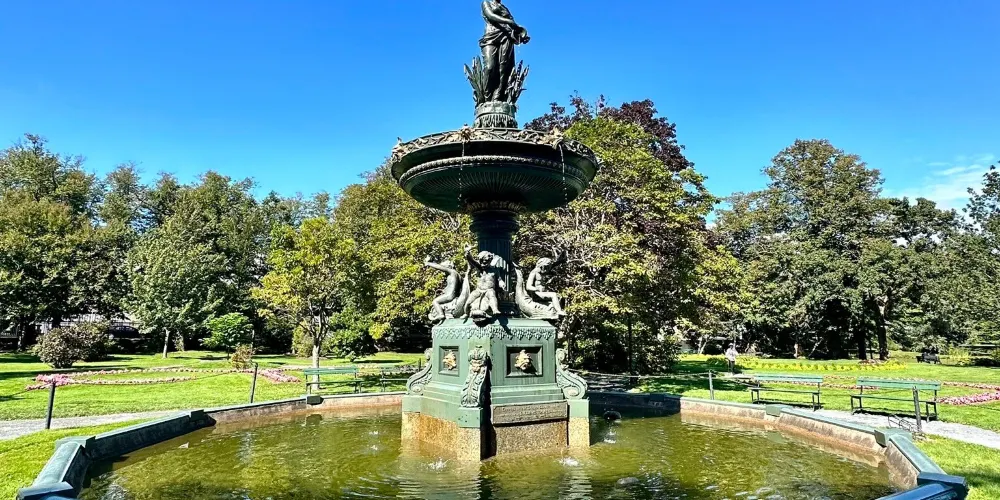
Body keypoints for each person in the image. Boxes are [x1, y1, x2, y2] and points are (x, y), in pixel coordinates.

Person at [479, 0, 529, 101]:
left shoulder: (505, 9)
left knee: (504, 69)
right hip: (490, 36)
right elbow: (490, 15)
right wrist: (508, 21)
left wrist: (521, 36)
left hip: (506, 38)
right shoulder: (486, 3)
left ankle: (498, 96)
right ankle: (487, 98)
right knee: (489, 67)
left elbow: (514, 27)